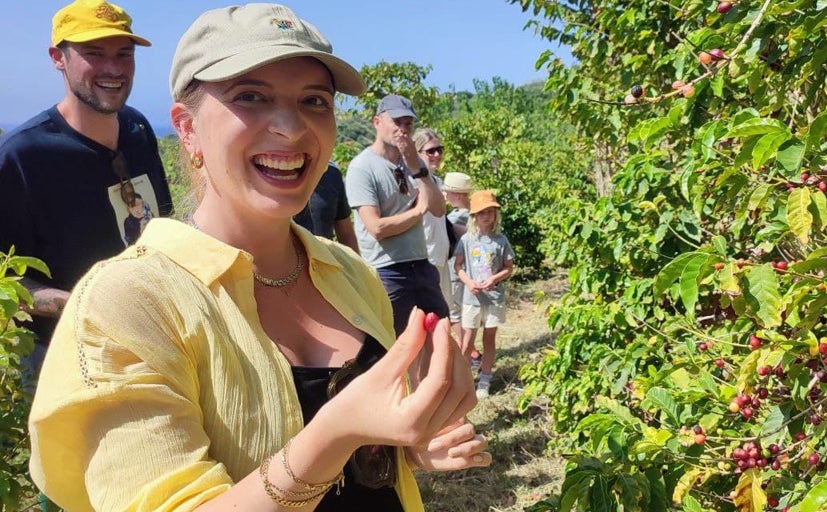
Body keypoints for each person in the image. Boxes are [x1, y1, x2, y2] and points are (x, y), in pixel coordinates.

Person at [28, 4, 489, 512]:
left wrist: (413, 444)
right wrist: (333, 434)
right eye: (250, 97)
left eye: (314, 100)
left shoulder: (349, 271)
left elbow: (366, 460)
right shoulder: (126, 301)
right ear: (187, 128)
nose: (291, 129)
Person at [0, 0, 173, 388]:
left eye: (123, 54)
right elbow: (8, 283)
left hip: (152, 340)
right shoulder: (24, 156)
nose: (113, 68)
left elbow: (160, 222)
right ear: (57, 58)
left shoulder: (137, 128)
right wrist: (90, 304)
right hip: (65, 360)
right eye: (93, 53)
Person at [345, 95, 449, 336]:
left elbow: (438, 209)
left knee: (439, 334)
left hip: (421, 264)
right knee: (396, 344)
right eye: (397, 121)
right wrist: (417, 212)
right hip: (387, 271)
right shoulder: (362, 167)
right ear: (377, 122)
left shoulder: (412, 164)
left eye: (408, 124)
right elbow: (377, 227)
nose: (402, 129)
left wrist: (417, 168)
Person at [453, 191, 515, 398]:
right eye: (482, 213)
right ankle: (462, 380)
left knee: (489, 338)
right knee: (467, 340)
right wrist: (469, 283)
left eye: (490, 212)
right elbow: (458, 266)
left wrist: (494, 279)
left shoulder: (501, 240)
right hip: (472, 299)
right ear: (474, 216)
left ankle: (485, 380)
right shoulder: (467, 240)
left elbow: (509, 267)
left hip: (493, 298)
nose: (487, 216)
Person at [412, 128, 451, 301]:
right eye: (430, 151)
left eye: (439, 149)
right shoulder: (412, 182)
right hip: (424, 255)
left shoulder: (437, 181)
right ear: (417, 152)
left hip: (441, 254)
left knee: (444, 309)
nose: (437, 154)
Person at [441, 172, 474, 361]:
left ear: (458, 195)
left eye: (448, 192)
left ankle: (469, 352)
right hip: (468, 270)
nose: (445, 195)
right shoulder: (475, 213)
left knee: (454, 314)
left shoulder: (458, 218)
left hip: (456, 269)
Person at [294, 161, 359, 253]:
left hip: (326, 263)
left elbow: (346, 235)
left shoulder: (332, 175)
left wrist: (355, 266)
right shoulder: (273, 176)